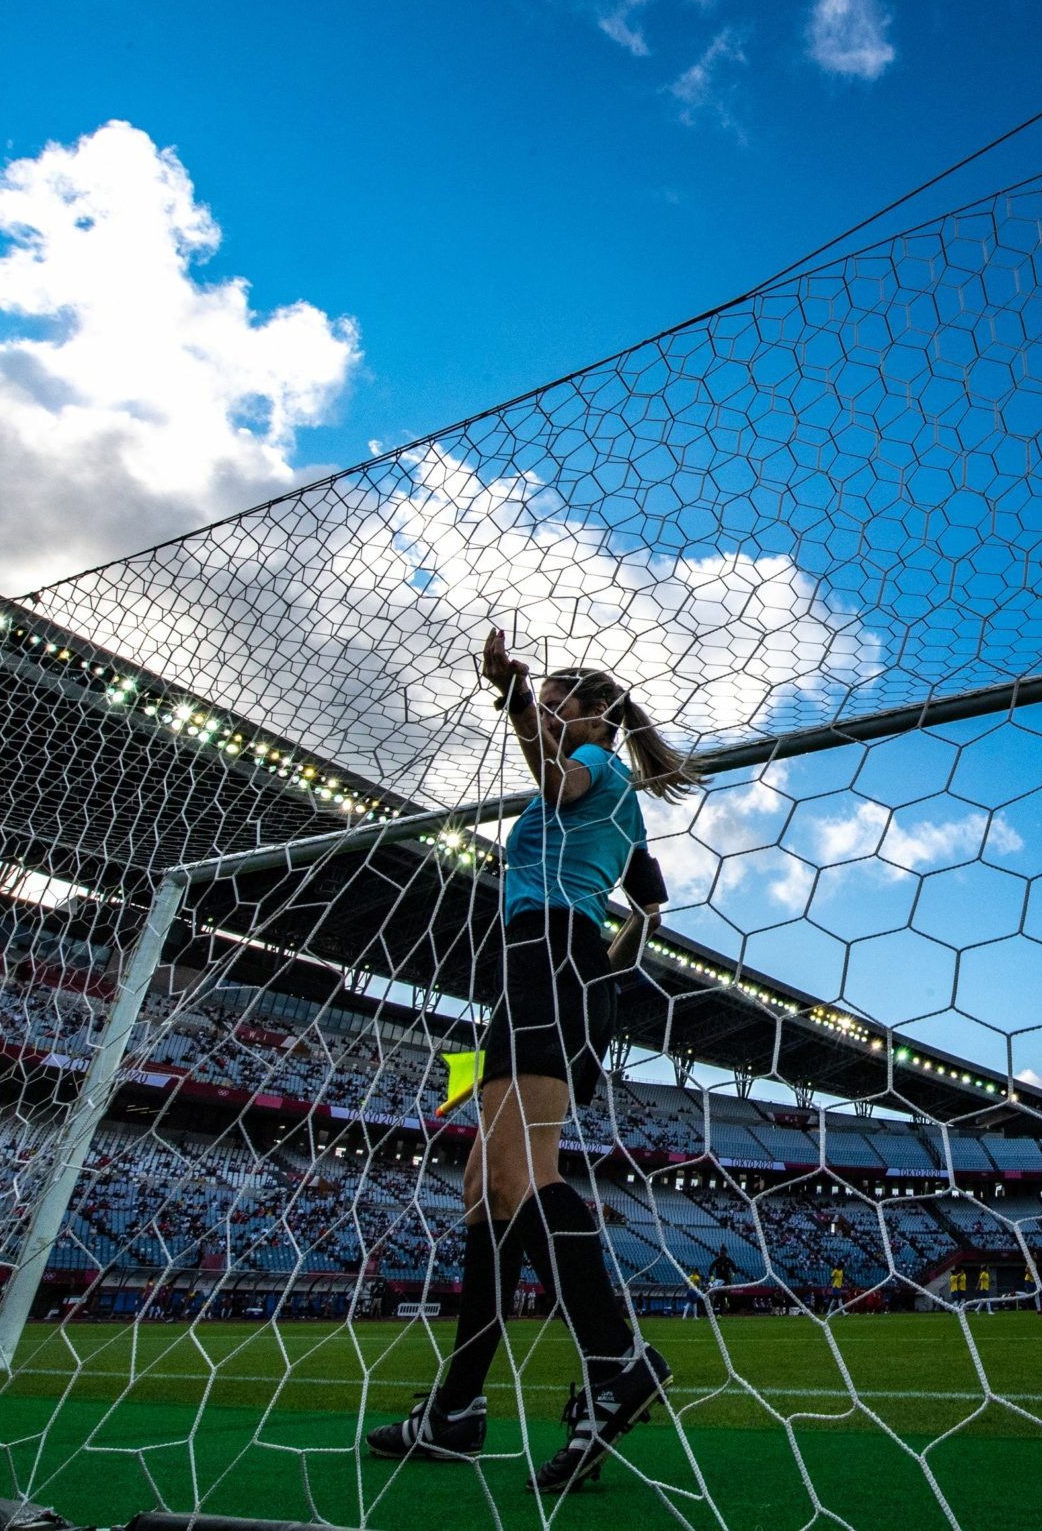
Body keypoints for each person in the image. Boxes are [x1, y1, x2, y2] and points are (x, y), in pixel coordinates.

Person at [369, 633, 701, 1492]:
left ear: (593, 715)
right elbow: (650, 898)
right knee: (485, 1184)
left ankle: (617, 1359)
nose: (548, 715)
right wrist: (623, 947)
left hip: (551, 958)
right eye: (545, 704)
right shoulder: (620, 807)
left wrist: (515, 699)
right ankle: (457, 1410)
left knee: (521, 1172)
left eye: (559, 703)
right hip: (549, 968)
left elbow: (558, 778)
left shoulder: (596, 766)